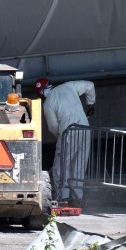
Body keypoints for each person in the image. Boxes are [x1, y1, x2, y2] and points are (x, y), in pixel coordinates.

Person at [35, 77, 96, 206]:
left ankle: (63, 198)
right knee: (79, 165)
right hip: (85, 129)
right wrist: (90, 103)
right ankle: (77, 199)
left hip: (68, 132)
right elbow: (90, 85)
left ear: (41, 93)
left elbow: (52, 127)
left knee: (61, 166)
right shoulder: (68, 86)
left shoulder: (48, 103)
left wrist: (60, 136)